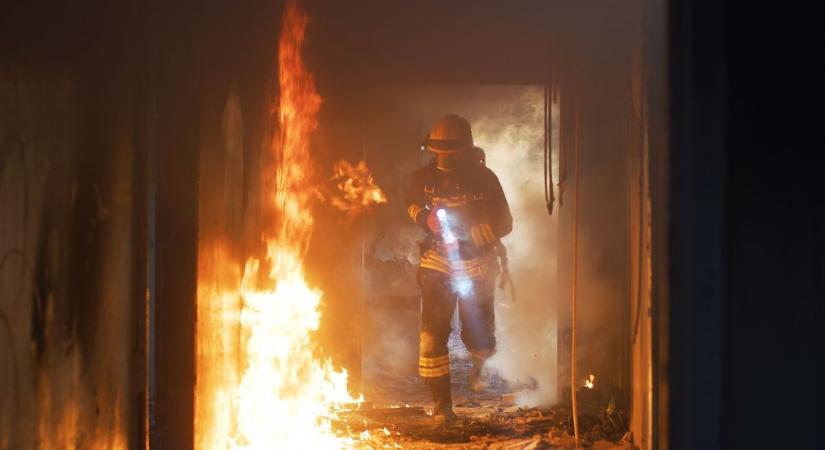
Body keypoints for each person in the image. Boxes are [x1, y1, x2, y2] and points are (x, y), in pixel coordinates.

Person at [406, 114, 513, 422]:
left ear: (467, 151)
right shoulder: (420, 179)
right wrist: (423, 217)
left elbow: (505, 220)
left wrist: (482, 231)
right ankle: (442, 407)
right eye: (441, 154)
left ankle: (480, 363)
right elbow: (411, 205)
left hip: (477, 264)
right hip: (437, 261)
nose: (447, 161)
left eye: (453, 155)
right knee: (431, 337)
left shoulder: (486, 179)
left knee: (478, 336)